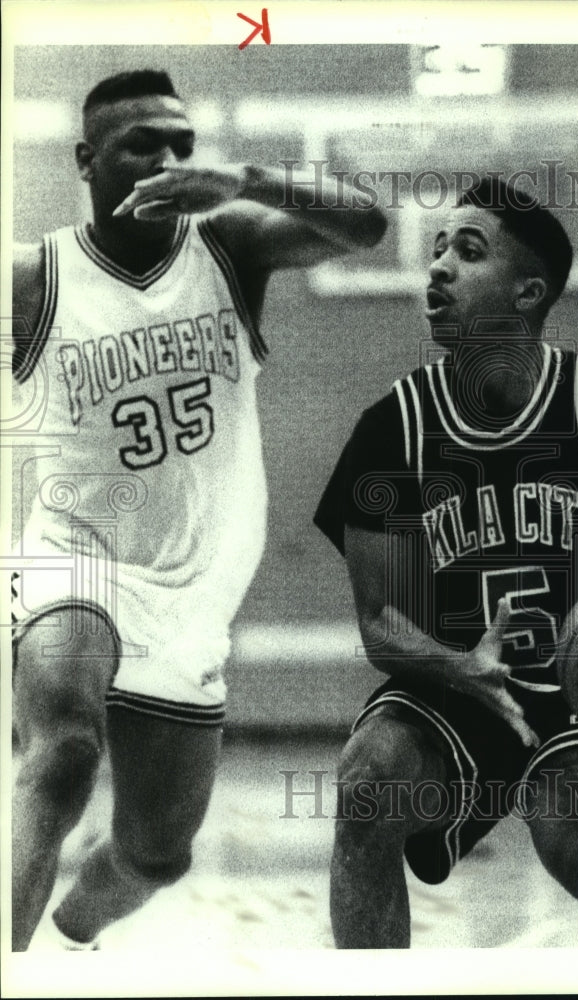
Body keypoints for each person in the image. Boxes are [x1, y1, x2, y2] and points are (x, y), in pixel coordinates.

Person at [11, 69, 386, 952]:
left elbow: (368, 224)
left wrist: (250, 179)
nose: (170, 159)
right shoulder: (35, 278)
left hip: (194, 603)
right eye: (144, 142)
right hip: (76, 557)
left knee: (154, 855)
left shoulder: (233, 245)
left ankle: (68, 938)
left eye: (183, 142)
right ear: (87, 160)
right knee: (62, 752)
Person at [314, 176, 578, 948]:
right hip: (454, 688)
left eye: (467, 252)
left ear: (528, 292)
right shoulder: (393, 431)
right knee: (367, 788)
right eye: (436, 249)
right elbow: (379, 624)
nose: (436, 267)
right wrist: (458, 664)